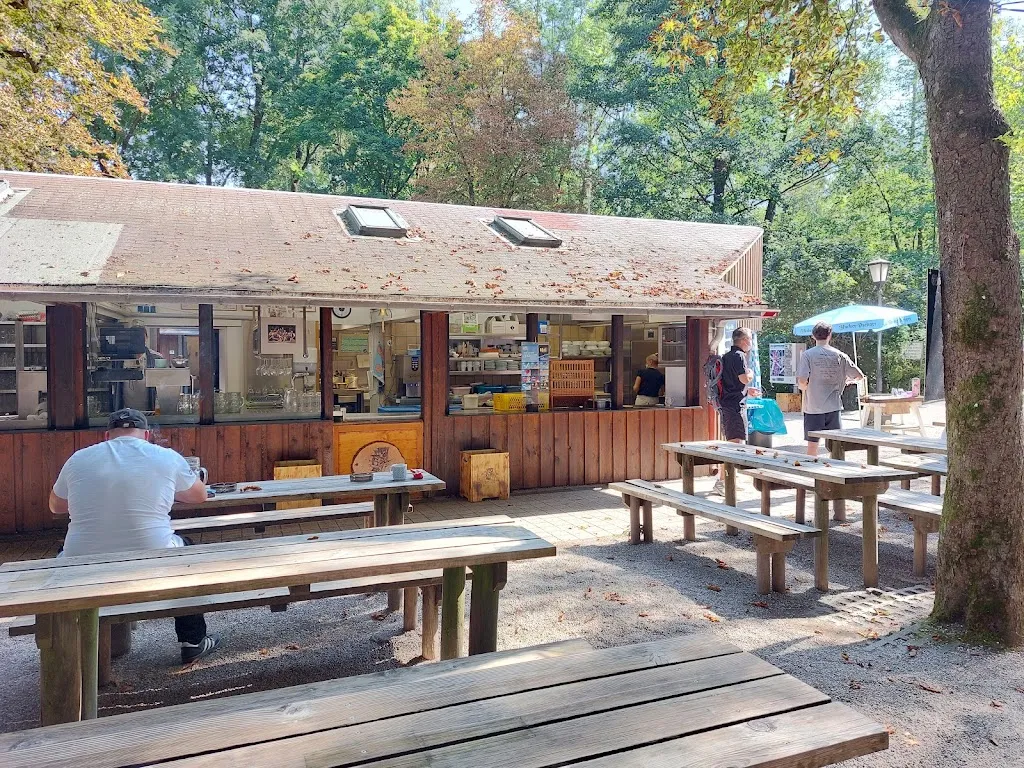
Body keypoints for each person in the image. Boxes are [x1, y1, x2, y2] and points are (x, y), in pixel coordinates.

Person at [48, 408, 221, 665]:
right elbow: (199, 496)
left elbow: (56, 506)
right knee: (187, 553)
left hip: (81, 567)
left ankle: (68, 645)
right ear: (147, 435)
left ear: (107, 435)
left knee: (61, 557)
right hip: (153, 563)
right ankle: (192, 641)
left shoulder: (78, 459)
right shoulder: (166, 457)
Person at [796, 321, 865, 455]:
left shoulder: (808, 355)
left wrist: (804, 387)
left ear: (813, 336)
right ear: (830, 335)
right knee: (835, 446)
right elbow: (859, 376)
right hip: (834, 406)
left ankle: (812, 470)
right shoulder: (840, 355)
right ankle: (835, 469)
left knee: (812, 446)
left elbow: (802, 381)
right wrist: (847, 381)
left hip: (813, 407)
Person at [712, 327, 757, 496]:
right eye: (750, 339)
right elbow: (744, 378)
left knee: (735, 442)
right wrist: (750, 374)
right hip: (734, 405)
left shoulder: (727, 356)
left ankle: (729, 479)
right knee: (734, 443)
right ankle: (722, 481)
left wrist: (747, 389)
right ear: (744, 340)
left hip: (729, 402)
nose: (751, 343)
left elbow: (733, 382)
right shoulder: (739, 356)